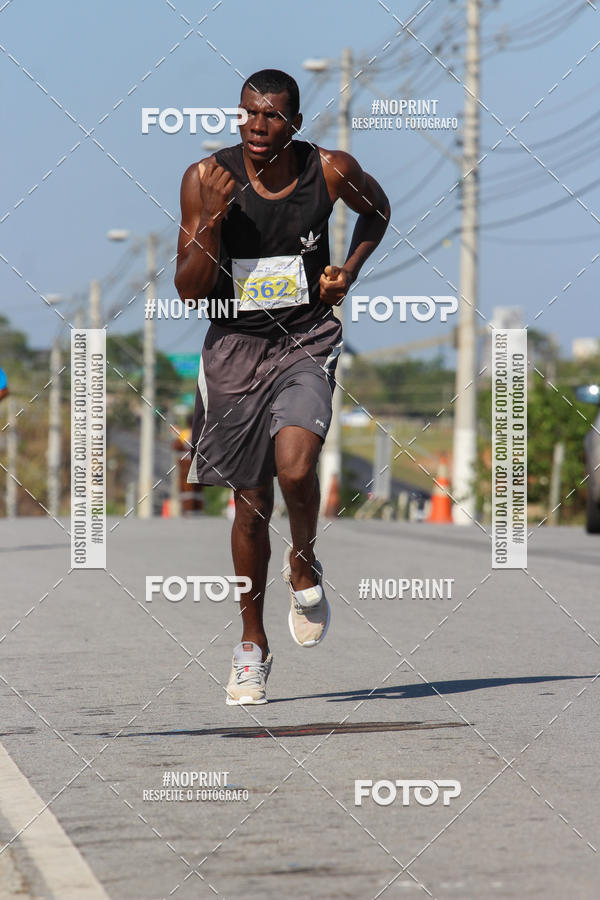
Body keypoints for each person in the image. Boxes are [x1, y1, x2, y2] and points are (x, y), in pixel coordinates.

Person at [174, 69, 390, 705]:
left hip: (305, 339)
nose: (258, 127)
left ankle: (303, 557)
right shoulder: (204, 178)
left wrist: (345, 272)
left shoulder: (329, 170)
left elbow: (377, 211)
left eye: (272, 117)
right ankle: (251, 644)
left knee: (295, 469)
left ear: (295, 121)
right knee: (248, 500)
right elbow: (189, 289)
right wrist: (211, 220)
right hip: (234, 346)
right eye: (248, 114)